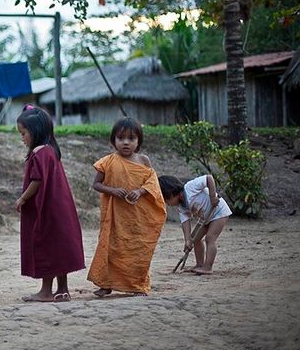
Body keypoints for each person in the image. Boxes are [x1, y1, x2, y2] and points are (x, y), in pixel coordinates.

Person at [87, 116, 167, 297]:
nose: (125, 142)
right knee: (111, 248)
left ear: (138, 141)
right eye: (120, 138)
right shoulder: (107, 162)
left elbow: (152, 183)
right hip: (115, 217)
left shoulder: (144, 161)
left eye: (131, 139)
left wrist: (139, 192)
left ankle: (137, 285)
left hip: (137, 218)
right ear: (113, 140)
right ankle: (106, 284)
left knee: (138, 250)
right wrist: (113, 191)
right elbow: (96, 185)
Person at [13, 106, 85, 302]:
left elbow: (37, 181)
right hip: (58, 208)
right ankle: (62, 289)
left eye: (24, 133)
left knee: (47, 245)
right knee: (57, 246)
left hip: (48, 208)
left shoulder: (40, 153)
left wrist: (23, 198)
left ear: (35, 131)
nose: (22, 138)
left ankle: (46, 291)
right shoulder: (50, 150)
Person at [158, 174, 232, 275]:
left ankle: (207, 267)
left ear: (172, 193)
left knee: (210, 238)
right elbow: (185, 222)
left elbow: (209, 178)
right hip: (205, 219)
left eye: (167, 200)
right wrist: (188, 240)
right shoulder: (181, 207)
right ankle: (199, 265)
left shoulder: (190, 187)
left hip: (219, 212)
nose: (167, 204)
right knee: (195, 239)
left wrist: (212, 197)